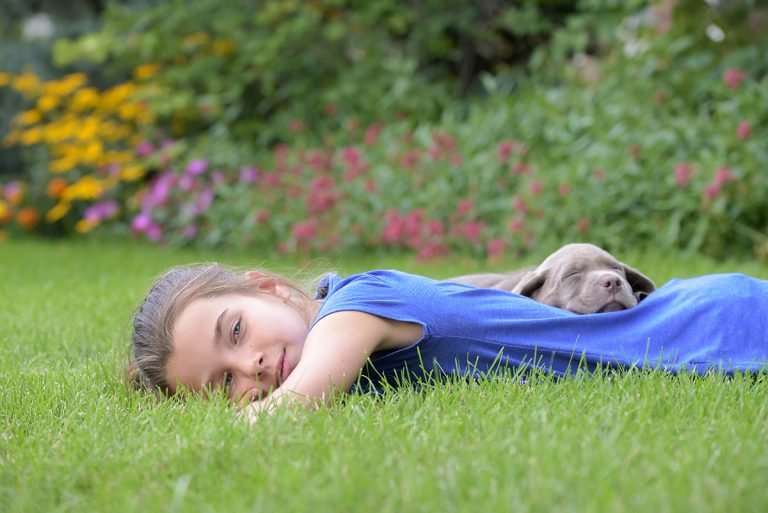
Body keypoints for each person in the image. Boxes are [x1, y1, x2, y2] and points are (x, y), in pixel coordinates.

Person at [127, 264, 768, 421]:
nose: (254, 367)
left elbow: (294, 408)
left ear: (270, 288)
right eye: (224, 382)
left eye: (235, 332)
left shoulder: (355, 307)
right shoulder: (358, 357)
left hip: (709, 329)